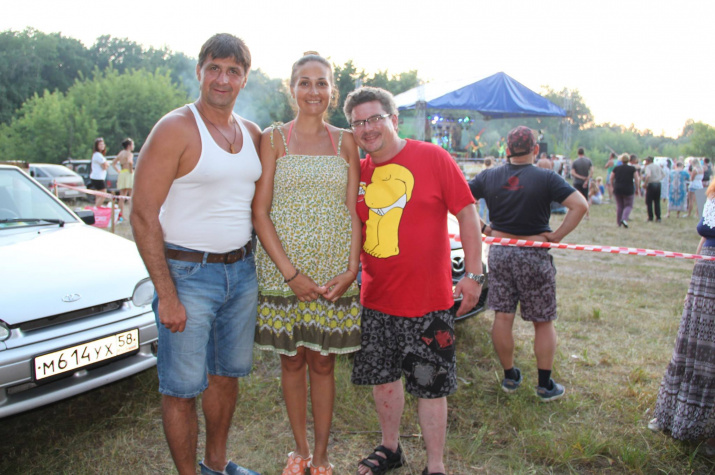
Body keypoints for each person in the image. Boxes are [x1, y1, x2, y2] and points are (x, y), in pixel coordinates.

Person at [130, 33, 262, 475]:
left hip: (241, 273)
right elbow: (142, 214)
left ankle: (216, 465)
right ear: (199, 71)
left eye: (233, 71)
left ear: (245, 78)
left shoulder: (252, 133)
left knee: (226, 375)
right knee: (182, 388)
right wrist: (167, 295)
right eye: (214, 68)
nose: (222, 79)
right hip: (187, 275)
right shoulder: (175, 128)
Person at [344, 86, 483, 475]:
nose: (367, 128)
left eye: (375, 118)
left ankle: (435, 465)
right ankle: (390, 448)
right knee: (384, 381)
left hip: (428, 302)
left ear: (394, 119)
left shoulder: (432, 157)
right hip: (376, 300)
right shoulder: (359, 172)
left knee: (431, 386)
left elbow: (467, 214)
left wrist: (473, 274)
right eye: (358, 122)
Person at [252, 52, 361, 475]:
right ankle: (299, 450)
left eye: (321, 83)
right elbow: (260, 212)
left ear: (332, 90)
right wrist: (291, 274)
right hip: (284, 273)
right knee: (292, 360)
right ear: (292, 88)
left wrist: (351, 270)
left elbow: (353, 212)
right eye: (304, 82)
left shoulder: (345, 141)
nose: (313, 91)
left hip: (333, 274)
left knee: (323, 362)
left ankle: (322, 455)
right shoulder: (273, 139)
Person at [470, 126, 587, 403]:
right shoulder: (547, 177)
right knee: (543, 321)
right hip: (534, 253)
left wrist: (484, 228)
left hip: (500, 251)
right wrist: (557, 236)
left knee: (503, 316)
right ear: (535, 149)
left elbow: (460, 199)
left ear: (507, 150)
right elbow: (580, 205)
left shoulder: (489, 175)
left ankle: (510, 377)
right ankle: (545, 385)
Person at [649, 178, 715, 455]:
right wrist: (694, 280)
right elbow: (704, 236)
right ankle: (675, 415)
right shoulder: (712, 192)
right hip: (706, 275)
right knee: (693, 347)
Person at [611, 153, 640, 228]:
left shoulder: (617, 168)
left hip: (618, 188)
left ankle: (618, 222)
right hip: (628, 189)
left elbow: (611, 178)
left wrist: (613, 186)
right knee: (629, 205)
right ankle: (624, 218)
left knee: (620, 205)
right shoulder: (632, 169)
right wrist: (637, 189)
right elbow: (636, 179)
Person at [111, 138, 135, 221]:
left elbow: (113, 163)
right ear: (129, 146)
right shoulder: (129, 154)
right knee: (130, 195)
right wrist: (131, 170)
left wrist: (118, 170)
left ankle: (121, 214)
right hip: (128, 173)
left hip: (122, 173)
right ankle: (131, 214)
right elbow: (130, 162)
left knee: (122, 196)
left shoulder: (121, 153)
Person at [643, 156, 665, 222]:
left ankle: (650, 217)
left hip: (651, 184)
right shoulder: (657, 166)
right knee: (657, 201)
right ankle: (658, 217)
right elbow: (663, 174)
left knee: (649, 201)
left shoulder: (648, 167)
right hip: (658, 184)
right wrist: (658, 178)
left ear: (648, 161)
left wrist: (645, 183)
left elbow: (648, 175)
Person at [89, 137, 109, 207]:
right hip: (98, 177)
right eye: (100, 144)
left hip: (98, 177)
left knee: (99, 194)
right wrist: (106, 165)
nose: (102, 146)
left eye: (103, 144)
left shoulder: (99, 155)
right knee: (104, 194)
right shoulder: (97, 155)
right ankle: (96, 207)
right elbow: (105, 166)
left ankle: (97, 206)